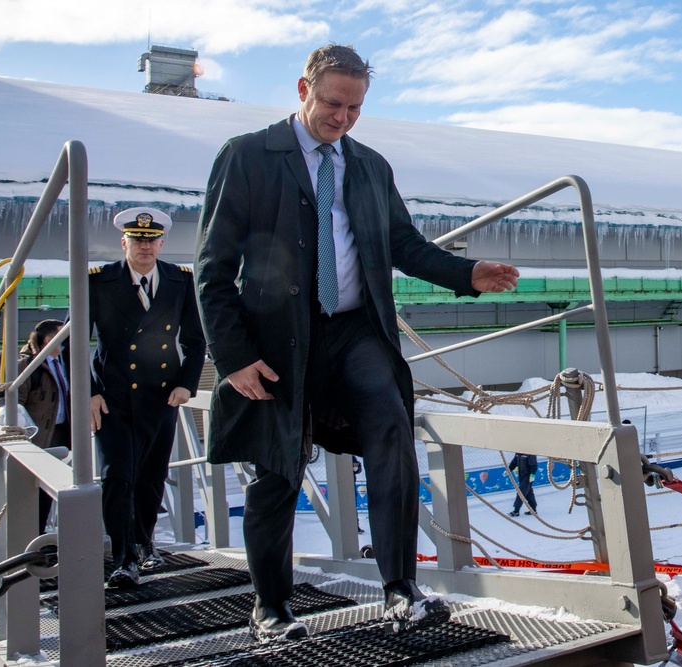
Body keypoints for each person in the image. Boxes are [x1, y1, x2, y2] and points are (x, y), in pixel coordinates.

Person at [195, 43, 519, 642]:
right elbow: (212, 268)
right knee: (277, 468)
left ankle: (401, 589)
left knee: (391, 429)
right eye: (332, 103)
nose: (341, 118)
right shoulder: (247, 156)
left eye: (355, 108)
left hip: (354, 330)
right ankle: (270, 606)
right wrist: (232, 356)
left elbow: (403, 243)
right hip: (276, 341)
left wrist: (464, 275)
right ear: (302, 89)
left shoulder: (369, 166)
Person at [87, 207, 206, 588]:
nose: (145, 246)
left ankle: (144, 543)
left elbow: (194, 339)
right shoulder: (99, 281)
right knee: (117, 476)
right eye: (137, 240)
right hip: (114, 396)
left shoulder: (179, 280)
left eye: (152, 240)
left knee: (152, 476)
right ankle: (123, 559)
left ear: (161, 243)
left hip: (161, 395)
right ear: (124, 242)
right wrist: (89, 393)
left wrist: (186, 383)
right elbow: (76, 342)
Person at [16, 319, 70, 533]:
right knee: (32, 493)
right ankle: (32, 537)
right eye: (62, 336)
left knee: (48, 492)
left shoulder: (62, 363)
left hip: (58, 433)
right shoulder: (27, 365)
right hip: (36, 438)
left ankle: (42, 535)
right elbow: (14, 401)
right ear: (49, 340)